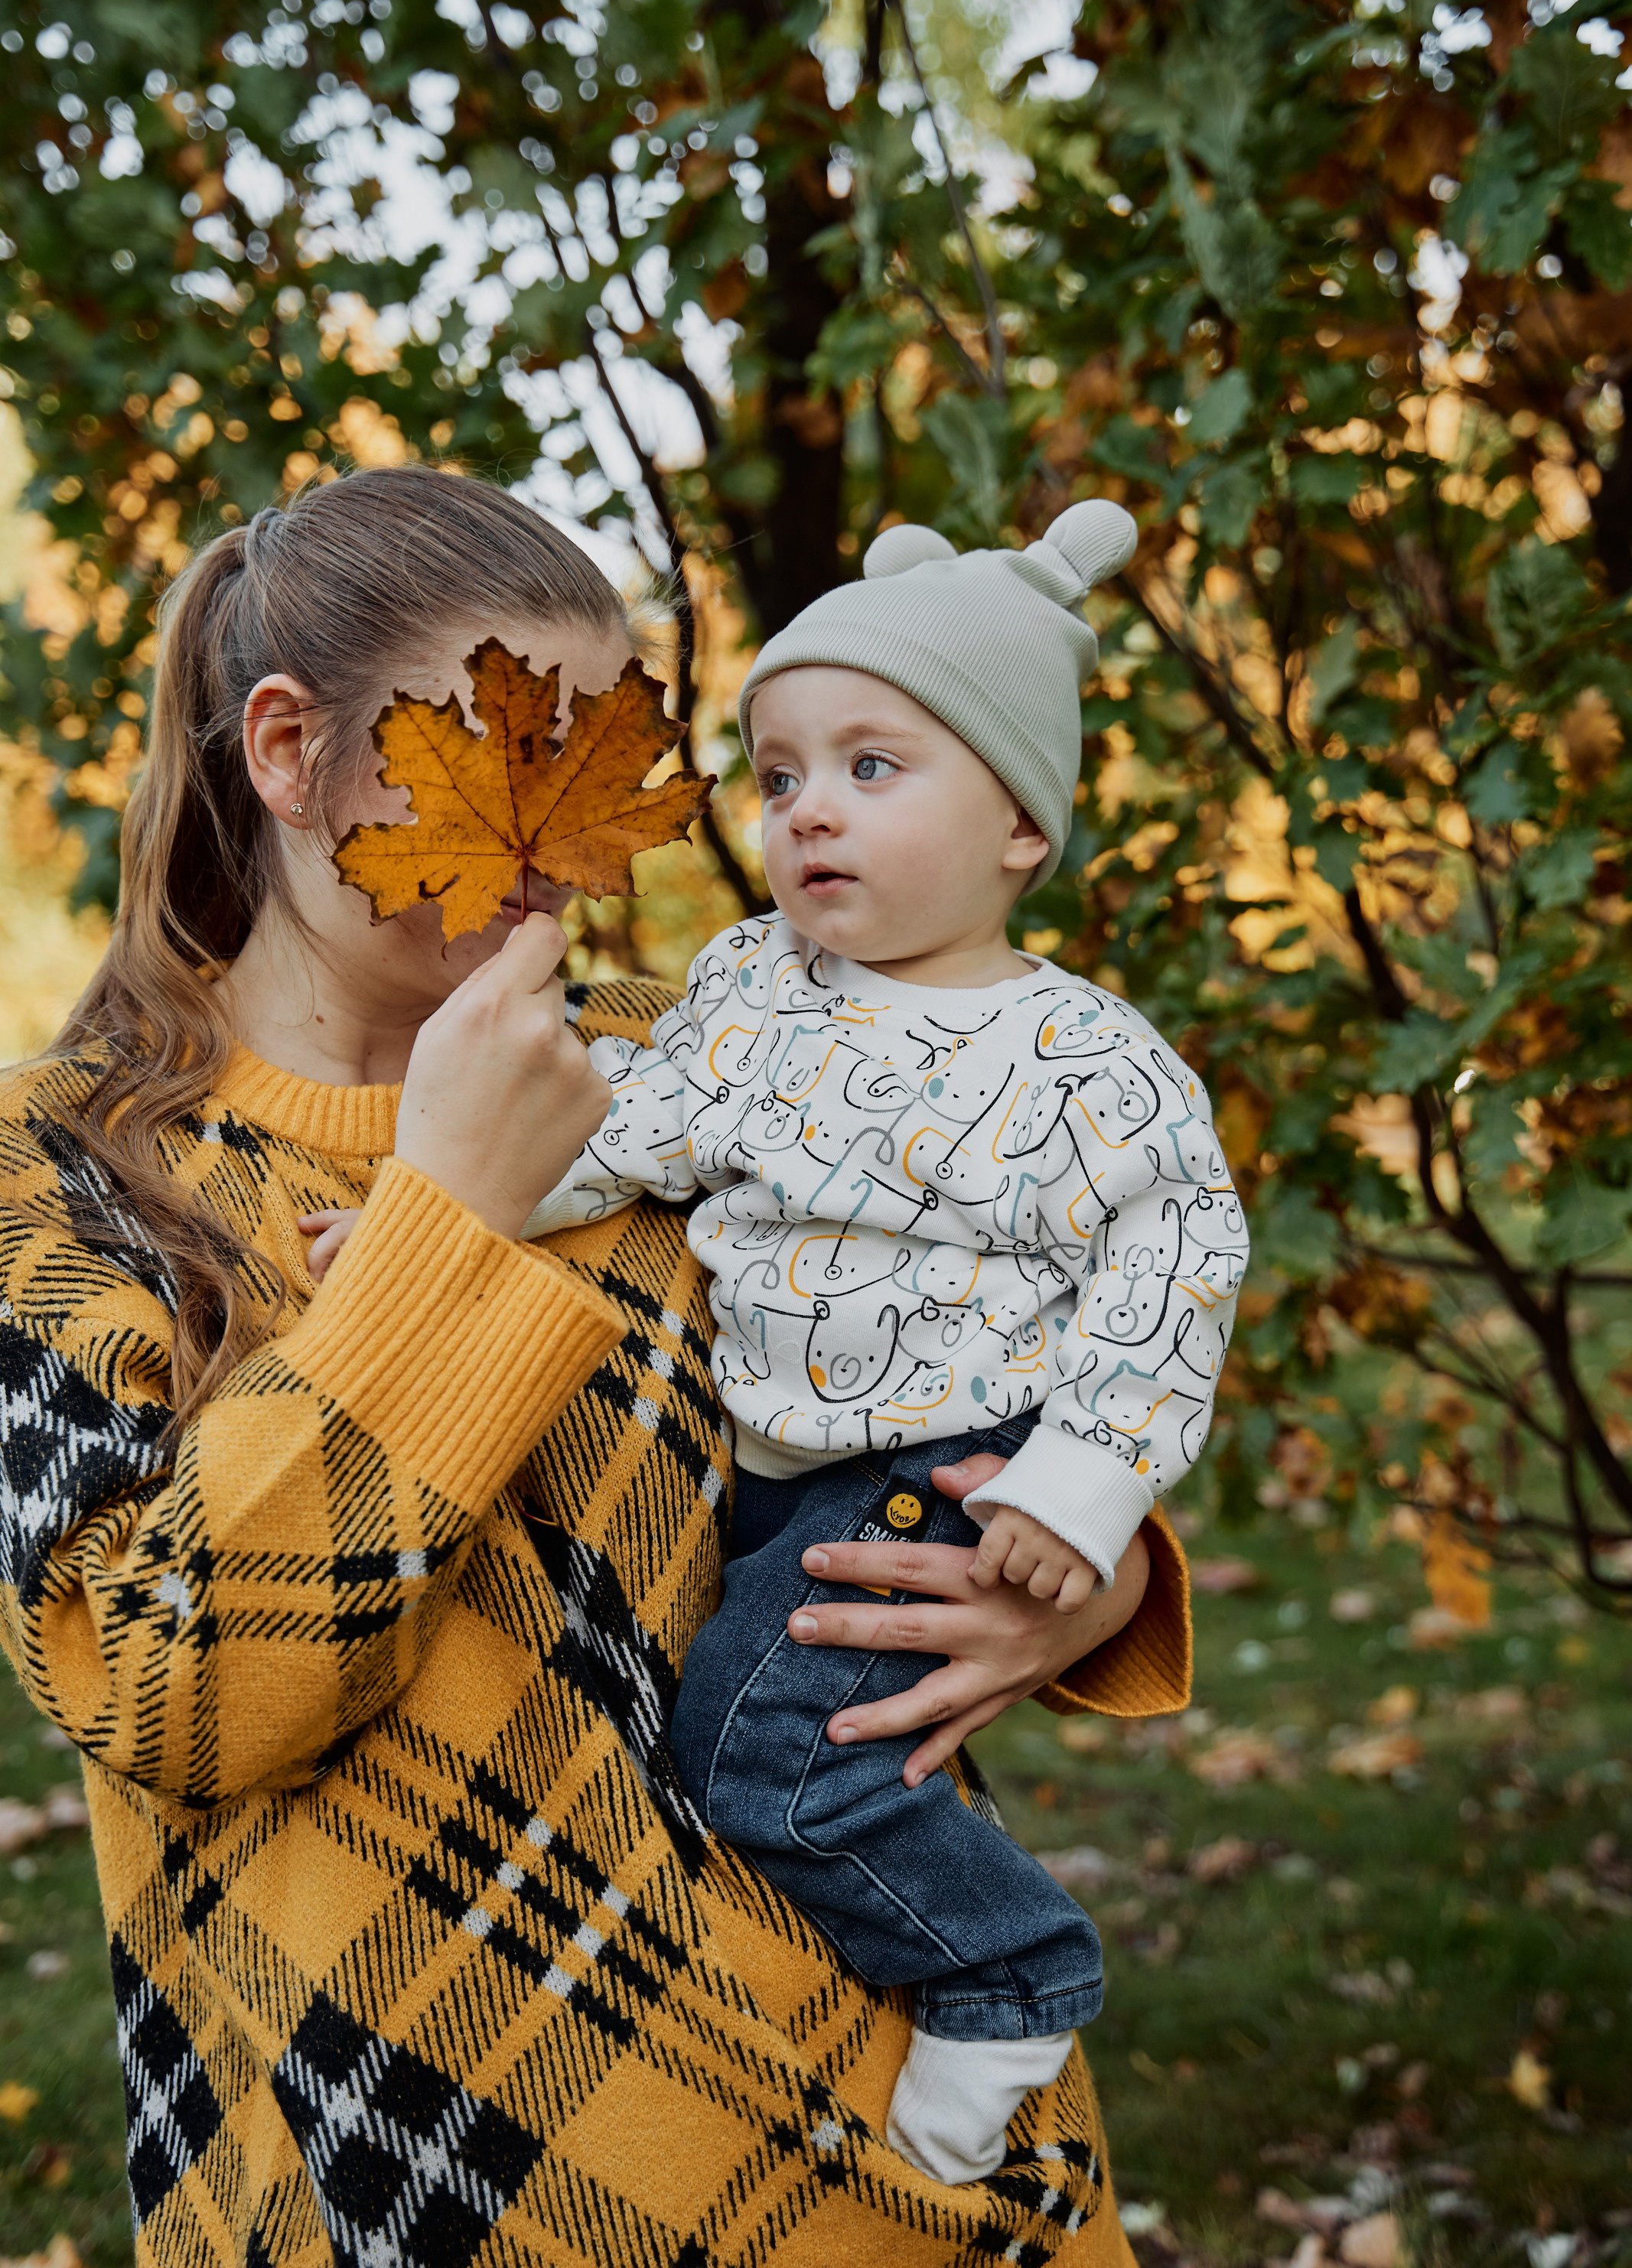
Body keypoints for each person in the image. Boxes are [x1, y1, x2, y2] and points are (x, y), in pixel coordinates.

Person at [0, 466, 1194, 2268]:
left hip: (895, 2163)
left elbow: (977, 1361)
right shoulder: (58, 1177)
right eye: (503, 758)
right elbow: (173, 1693)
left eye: (599, 765)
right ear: (283, 748)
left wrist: (1069, 1580)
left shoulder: (696, 1058)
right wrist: (448, 1216)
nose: (557, 843)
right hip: (440, 2179)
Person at [308, 501, 1246, 2187]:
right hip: (782, 1464)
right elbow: (621, 1128)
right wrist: (426, 1212)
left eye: (873, 767)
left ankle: (1008, 1972)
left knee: (761, 1754)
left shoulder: (1080, 1060)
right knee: (794, 1727)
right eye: (779, 773)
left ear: (1023, 820)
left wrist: (1085, 1484)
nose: (808, 807)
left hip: (939, 1470)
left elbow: (1172, 1263)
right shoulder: (752, 988)